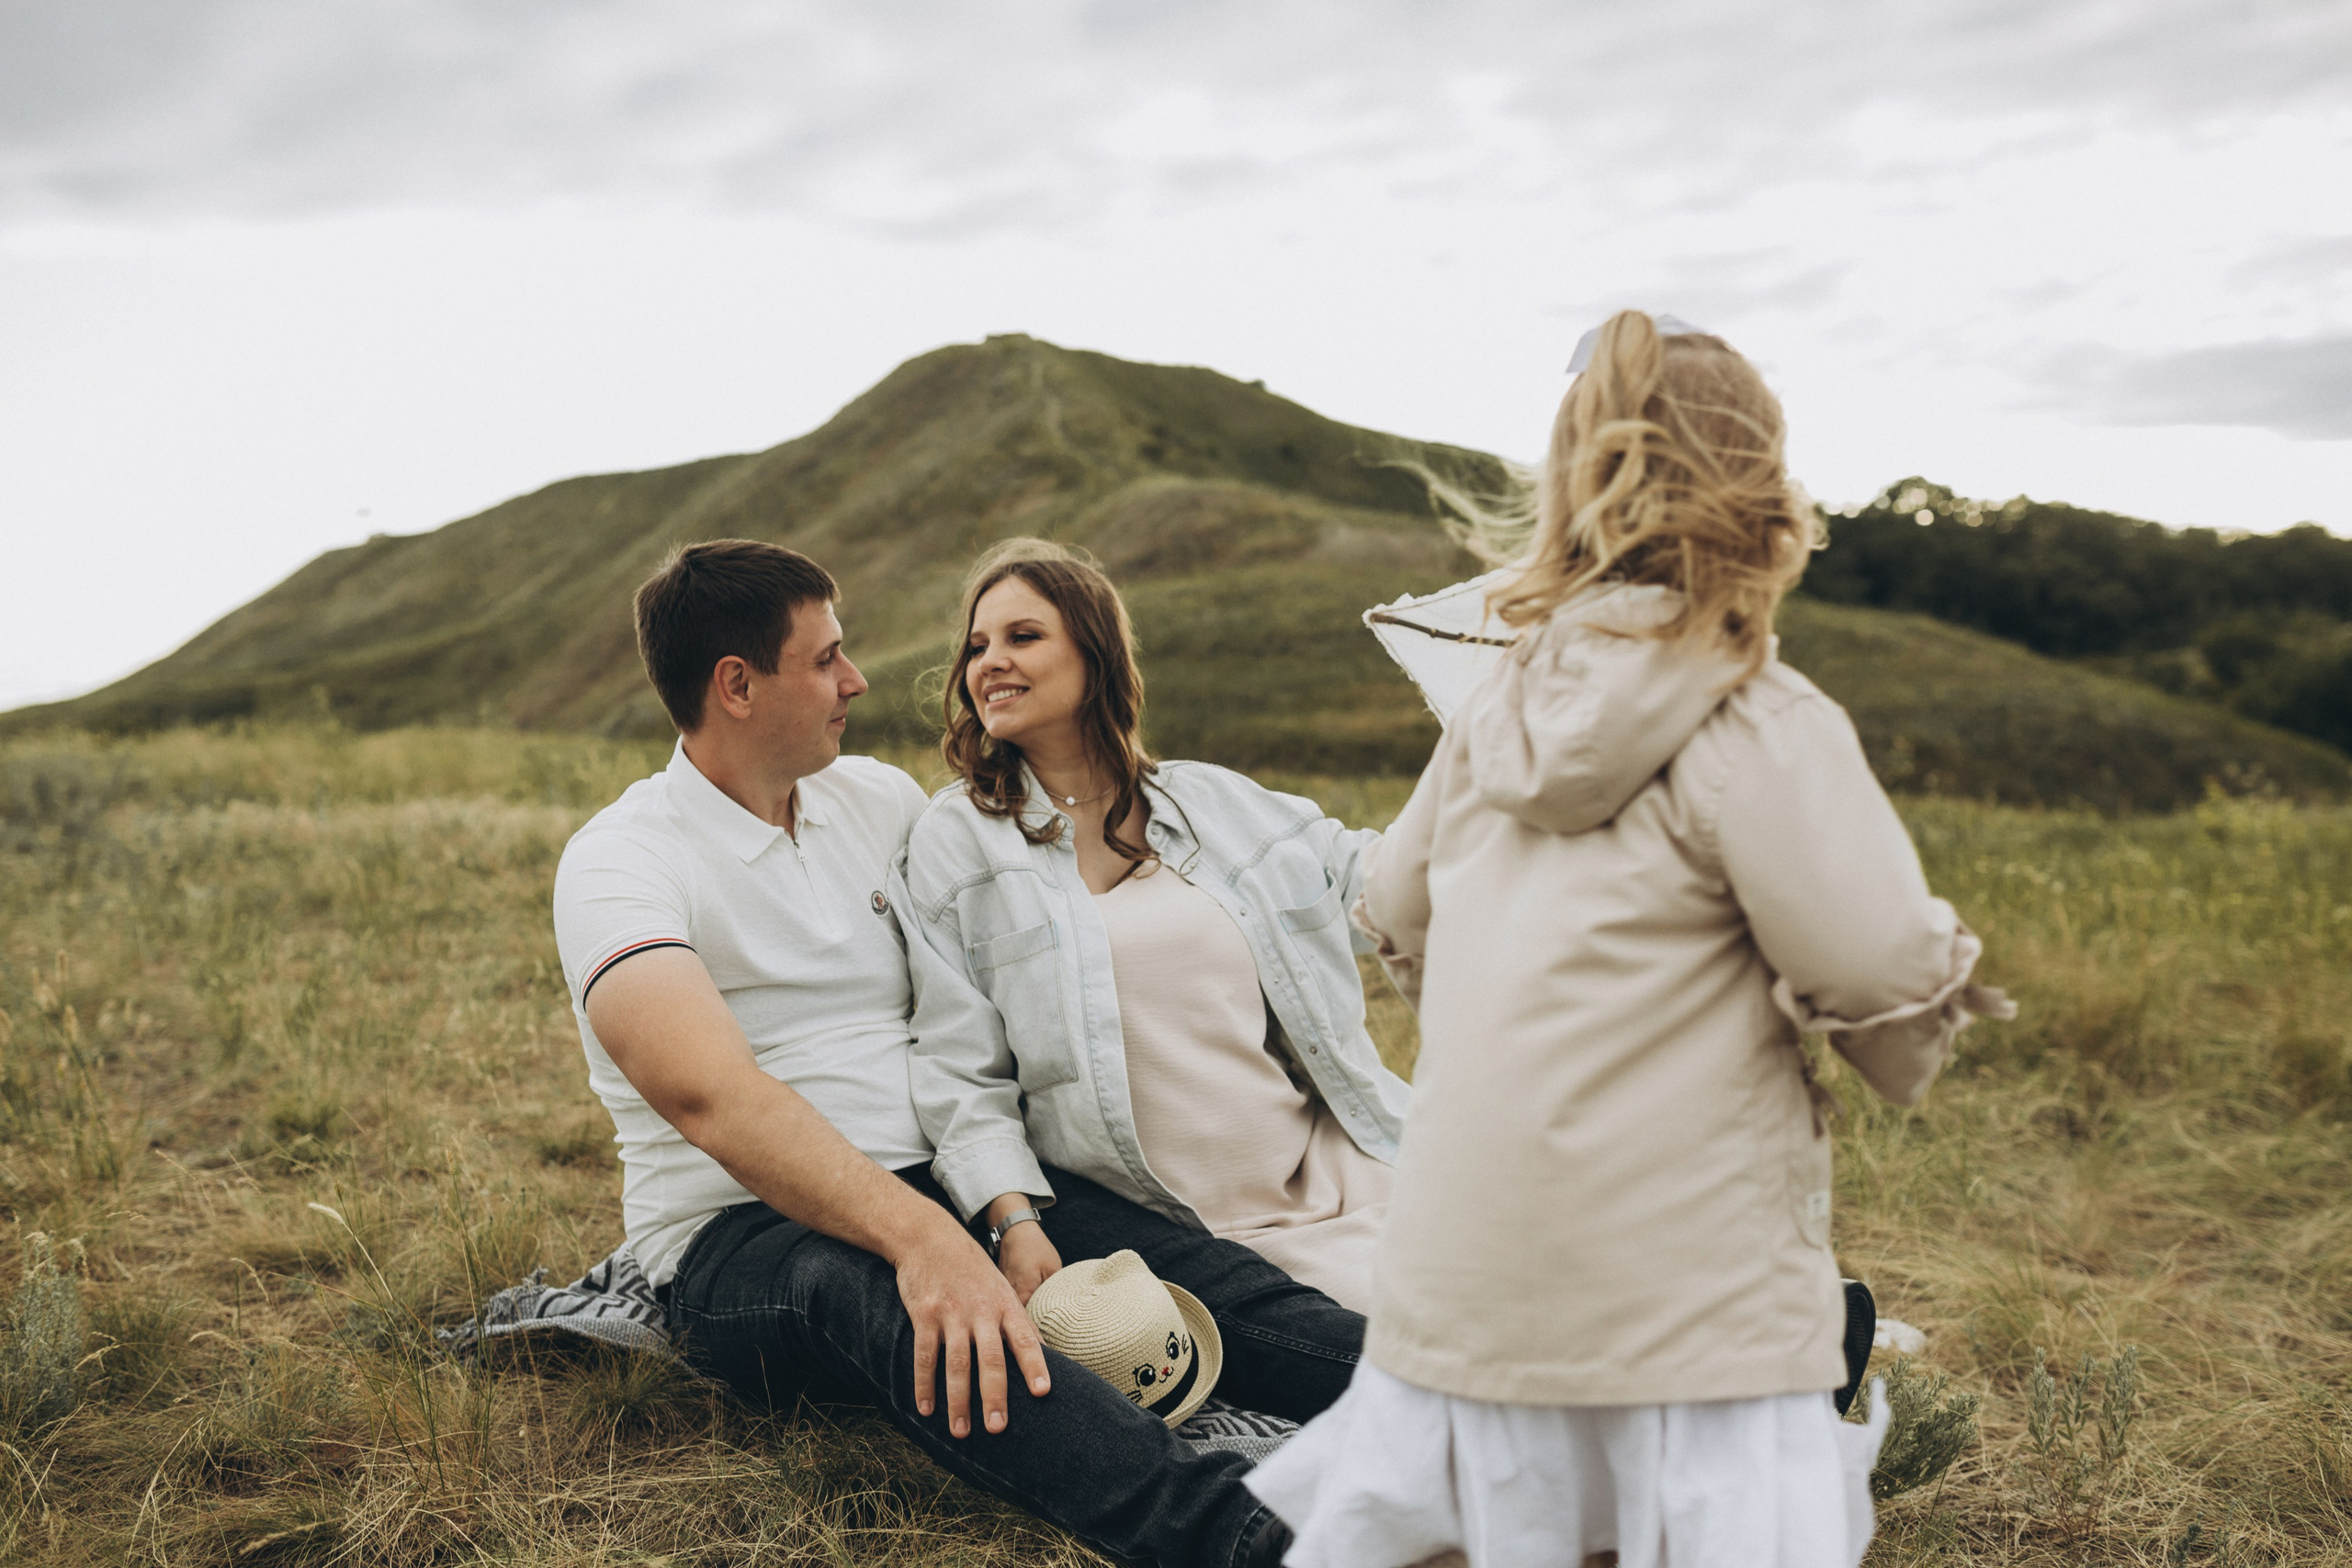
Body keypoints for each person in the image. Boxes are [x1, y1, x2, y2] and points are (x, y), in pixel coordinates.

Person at [1244, 310, 2013, 1568]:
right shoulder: (1760, 712)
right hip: (1685, 1280)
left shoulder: (1493, 709)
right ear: (1757, 486)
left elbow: (1391, 898)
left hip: (1468, 1267)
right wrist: (1915, 1018)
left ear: (1572, 487)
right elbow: (1873, 962)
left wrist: (1487, 997)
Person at [549, 538, 1345, 1568]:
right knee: (911, 1311)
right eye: (828, 658)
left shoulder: (873, 802)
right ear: (737, 685)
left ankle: (1488, 1410)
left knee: (1192, 1272)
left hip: (945, 1176)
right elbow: (712, 1098)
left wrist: (995, 1207)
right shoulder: (621, 858)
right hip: (740, 1235)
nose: (857, 680)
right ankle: (1252, 1539)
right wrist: (924, 1242)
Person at [896, 540, 1407, 1314]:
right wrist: (1011, 1216)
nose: (989, 661)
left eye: (1022, 636)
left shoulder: (1213, 803)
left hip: (1335, 1167)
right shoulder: (957, 841)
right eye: (976, 646)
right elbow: (959, 1067)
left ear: (1095, 654)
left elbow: (1375, 876)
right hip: (1181, 1231)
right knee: (1418, 1351)